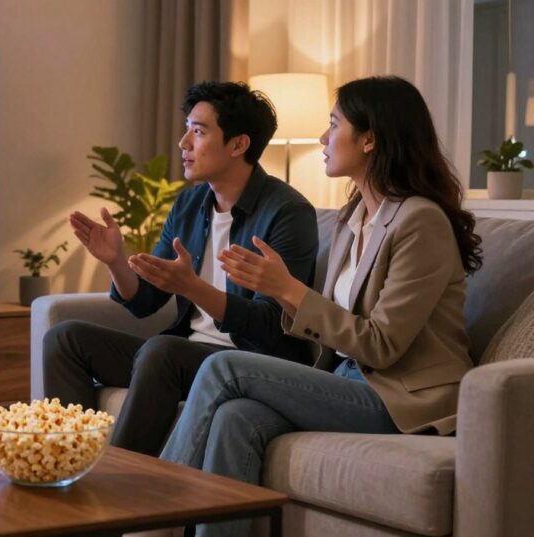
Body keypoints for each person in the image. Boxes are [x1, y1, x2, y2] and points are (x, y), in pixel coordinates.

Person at [160, 76, 482, 537]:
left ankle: (148, 518)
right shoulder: (353, 218)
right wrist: (284, 292)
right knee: (237, 417)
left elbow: (383, 345)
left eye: (333, 125)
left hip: (401, 398)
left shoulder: (420, 222)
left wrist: (288, 289)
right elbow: (329, 331)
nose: (322, 139)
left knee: (223, 369)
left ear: (369, 139)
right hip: (348, 379)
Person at [43, 81, 318, 456]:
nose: (183, 142)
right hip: (186, 357)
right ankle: (67, 461)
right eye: (187, 127)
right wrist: (116, 262)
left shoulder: (287, 213)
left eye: (199, 131)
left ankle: (118, 483)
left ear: (238, 145)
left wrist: (193, 288)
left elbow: (274, 326)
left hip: (249, 362)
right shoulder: (190, 204)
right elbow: (146, 301)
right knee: (65, 339)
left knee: (163, 351)